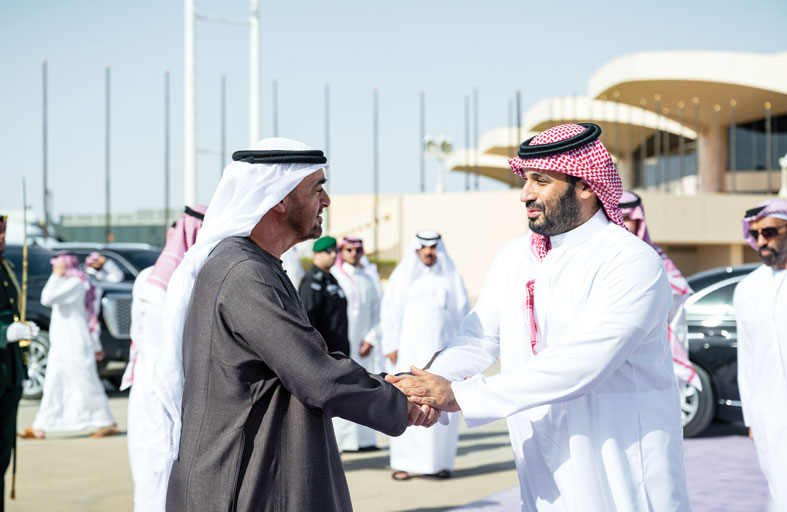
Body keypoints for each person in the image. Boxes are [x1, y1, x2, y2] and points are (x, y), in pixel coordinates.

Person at [389, 123, 690, 511]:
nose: (525, 194)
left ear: (585, 184)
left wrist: (460, 395)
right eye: (525, 179)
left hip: (620, 461)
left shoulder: (629, 260)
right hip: (543, 458)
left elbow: (585, 362)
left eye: (541, 180)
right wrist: (427, 384)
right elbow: (478, 338)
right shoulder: (515, 257)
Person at [152, 138, 435, 511]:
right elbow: (316, 375)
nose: (326, 201)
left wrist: (387, 385)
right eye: (317, 189)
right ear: (279, 199)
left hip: (256, 472)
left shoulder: (256, 264)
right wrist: (399, 400)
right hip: (239, 483)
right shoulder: (244, 272)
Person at [123, 206, 206, 512]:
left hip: (146, 383)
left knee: (150, 464)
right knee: (160, 463)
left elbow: (136, 332)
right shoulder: (182, 281)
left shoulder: (147, 277)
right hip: (168, 386)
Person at [381, 229, 470, 480]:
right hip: (408, 354)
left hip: (442, 357)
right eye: (425, 247)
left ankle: (440, 464)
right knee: (406, 402)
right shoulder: (403, 276)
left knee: (440, 405)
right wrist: (390, 345)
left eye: (433, 248)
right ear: (417, 249)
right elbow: (389, 312)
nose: (429, 252)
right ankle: (402, 463)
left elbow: (464, 315)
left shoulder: (450, 277)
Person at [17, 253, 118, 440]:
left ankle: (106, 421)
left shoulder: (76, 284)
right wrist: (56, 277)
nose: (55, 268)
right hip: (61, 342)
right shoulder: (68, 283)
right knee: (53, 382)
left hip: (76, 341)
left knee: (85, 381)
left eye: (58, 265)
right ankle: (41, 425)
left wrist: (55, 276)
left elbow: (46, 298)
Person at [734, 199, 787, 510]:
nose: (761, 241)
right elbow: (747, 357)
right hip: (769, 412)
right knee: (778, 485)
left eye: (769, 232)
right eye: (755, 235)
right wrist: (751, 417)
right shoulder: (747, 289)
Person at [619, 191, 699, 391]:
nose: (621, 224)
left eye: (627, 218)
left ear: (639, 221)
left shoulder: (656, 260)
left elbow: (676, 326)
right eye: (615, 216)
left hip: (650, 365)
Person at [0, 214, 40, 510]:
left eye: (3, 232)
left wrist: (23, 328)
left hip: (10, 372)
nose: (2, 238)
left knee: (3, 452)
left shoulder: (6, 266)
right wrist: (5, 332)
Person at [330, 236, 383, 452]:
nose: (354, 254)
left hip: (364, 347)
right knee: (343, 390)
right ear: (342, 252)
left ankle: (365, 441)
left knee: (365, 388)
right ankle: (343, 442)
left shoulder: (368, 279)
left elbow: (379, 313)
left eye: (358, 250)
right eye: (349, 250)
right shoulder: (334, 277)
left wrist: (371, 338)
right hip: (340, 345)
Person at [298, 236, 350, 356]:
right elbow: (308, 319)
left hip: (339, 350)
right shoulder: (311, 282)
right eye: (328, 251)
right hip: (325, 354)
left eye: (335, 251)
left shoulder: (331, 279)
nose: (333, 255)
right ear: (316, 254)